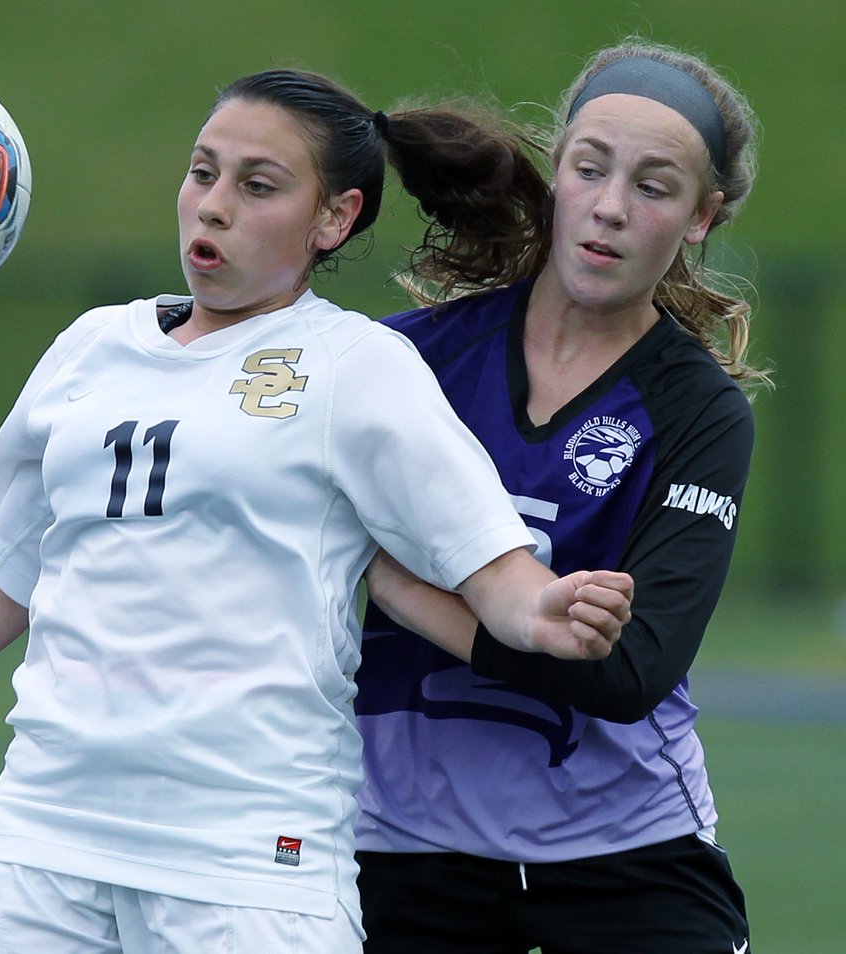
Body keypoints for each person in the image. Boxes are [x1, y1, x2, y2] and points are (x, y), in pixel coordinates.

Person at [0, 69, 633, 953]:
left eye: (259, 186)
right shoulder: (94, 347)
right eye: (203, 172)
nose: (213, 203)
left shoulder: (357, 368)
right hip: (42, 842)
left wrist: (546, 611)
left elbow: (489, 568)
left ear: (335, 218)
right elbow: (1, 581)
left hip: (246, 866)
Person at [354, 40, 768, 954]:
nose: (611, 208)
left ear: (700, 219)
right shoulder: (404, 363)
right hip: (404, 857)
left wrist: (397, 588)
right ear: (557, 175)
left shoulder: (696, 411)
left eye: (655, 188)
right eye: (590, 169)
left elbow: (627, 676)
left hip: (627, 854)